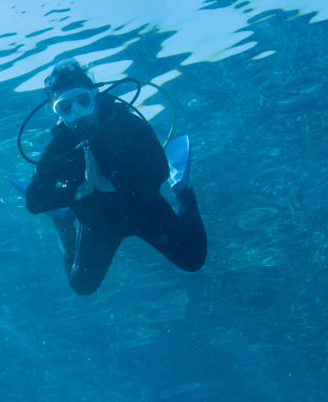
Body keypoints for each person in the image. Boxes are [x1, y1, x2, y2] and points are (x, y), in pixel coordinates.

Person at [22, 62, 204, 295]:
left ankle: (182, 190)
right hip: (98, 221)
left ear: (95, 97)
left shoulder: (126, 123)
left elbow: (160, 169)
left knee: (194, 260)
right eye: (66, 108)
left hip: (143, 208)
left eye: (83, 101)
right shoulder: (61, 145)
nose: (77, 114)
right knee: (82, 286)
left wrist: (112, 184)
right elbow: (34, 199)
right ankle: (63, 222)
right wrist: (79, 191)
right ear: (57, 112)